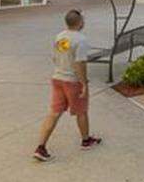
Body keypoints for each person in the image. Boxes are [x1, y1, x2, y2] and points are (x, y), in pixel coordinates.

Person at [34, 9, 101, 161]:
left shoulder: (60, 37)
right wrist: (84, 83)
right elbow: (80, 63)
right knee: (81, 111)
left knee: (54, 112)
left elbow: (54, 57)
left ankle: (41, 146)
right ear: (80, 22)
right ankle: (85, 140)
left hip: (57, 78)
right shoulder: (81, 40)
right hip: (72, 81)